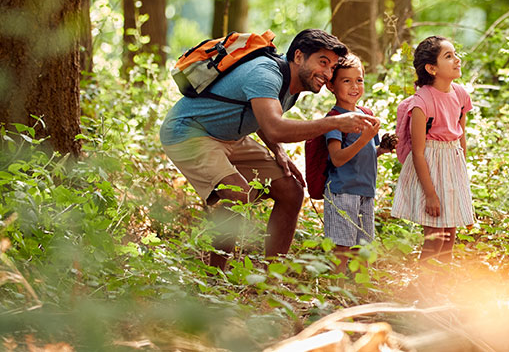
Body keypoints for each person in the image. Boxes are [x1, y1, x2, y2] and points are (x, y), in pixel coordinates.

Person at [159, 29, 380, 268]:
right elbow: (274, 127)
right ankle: (216, 275)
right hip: (189, 132)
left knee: (291, 190)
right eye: (322, 63)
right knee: (238, 193)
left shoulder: (294, 85)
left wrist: (278, 152)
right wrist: (335, 122)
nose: (327, 74)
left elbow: (262, 117)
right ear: (298, 56)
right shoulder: (265, 74)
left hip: (231, 137)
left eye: (332, 68)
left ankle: (272, 274)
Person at [391, 36, 474, 263]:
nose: (457, 60)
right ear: (431, 68)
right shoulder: (422, 102)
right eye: (448, 56)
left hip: (452, 165)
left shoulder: (460, 94)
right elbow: (418, 153)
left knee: (449, 237)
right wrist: (430, 194)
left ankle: (442, 288)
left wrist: (461, 178)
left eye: (455, 54)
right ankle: (423, 288)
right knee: (434, 238)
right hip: (430, 167)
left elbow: (461, 135)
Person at [322, 53, 396, 272]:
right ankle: (337, 287)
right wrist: (363, 138)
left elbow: (368, 152)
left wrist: (382, 148)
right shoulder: (334, 118)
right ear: (331, 86)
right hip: (343, 191)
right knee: (342, 246)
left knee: (363, 246)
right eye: (346, 81)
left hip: (365, 189)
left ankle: (360, 289)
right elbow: (337, 157)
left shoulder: (366, 115)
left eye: (359, 80)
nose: (355, 86)